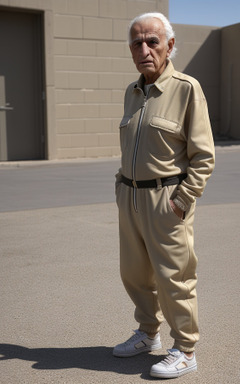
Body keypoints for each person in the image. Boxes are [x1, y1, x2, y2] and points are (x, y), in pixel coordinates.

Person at [113, 12, 215, 379]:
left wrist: (183, 199)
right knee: (135, 273)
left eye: (152, 41)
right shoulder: (132, 91)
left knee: (175, 276)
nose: (144, 49)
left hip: (166, 199)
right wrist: (120, 187)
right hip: (130, 197)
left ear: (169, 45)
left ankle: (185, 349)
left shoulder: (187, 88)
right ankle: (147, 334)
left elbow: (204, 156)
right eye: (137, 43)